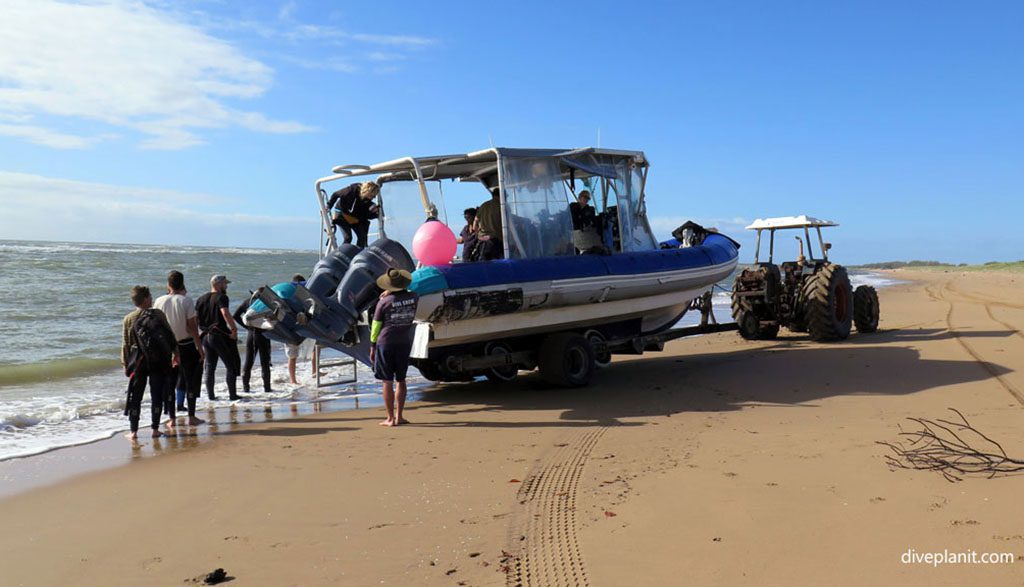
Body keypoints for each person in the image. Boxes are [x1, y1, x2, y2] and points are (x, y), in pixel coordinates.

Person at [121, 286, 178, 441]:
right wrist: (175, 354)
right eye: (150, 296)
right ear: (145, 299)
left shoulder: (129, 318)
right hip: (158, 361)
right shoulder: (157, 314)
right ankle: (155, 429)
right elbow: (169, 335)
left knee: (136, 397)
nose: (152, 298)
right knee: (156, 395)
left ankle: (133, 432)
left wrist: (125, 365)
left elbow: (126, 345)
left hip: (138, 363)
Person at [153, 271, 206, 426]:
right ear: (182, 283)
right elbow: (192, 327)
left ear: (168, 285)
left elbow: (156, 327)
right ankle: (191, 416)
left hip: (166, 347)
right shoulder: (186, 301)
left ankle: (172, 418)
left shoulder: (159, 301)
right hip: (186, 345)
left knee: (170, 382)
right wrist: (200, 348)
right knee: (190, 381)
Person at [369, 268, 419, 426]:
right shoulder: (414, 297)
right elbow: (411, 292)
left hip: (386, 342)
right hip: (404, 342)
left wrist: (372, 345)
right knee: (401, 380)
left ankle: (390, 418)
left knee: (387, 381)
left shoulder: (384, 302)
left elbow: (376, 326)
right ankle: (400, 416)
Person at [196, 275, 241, 401]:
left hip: (205, 336)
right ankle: (232, 395)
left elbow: (195, 319)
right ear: (219, 284)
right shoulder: (222, 297)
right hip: (219, 336)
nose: (226, 286)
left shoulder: (201, 299)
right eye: (225, 284)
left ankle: (211, 396)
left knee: (210, 366)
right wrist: (234, 329)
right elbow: (225, 313)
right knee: (230, 365)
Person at [233, 295, 271, 394]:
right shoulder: (267, 303)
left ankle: (246, 389)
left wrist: (247, 327)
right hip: (264, 334)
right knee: (265, 363)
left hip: (251, 335)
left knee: (248, 362)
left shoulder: (247, 302)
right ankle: (267, 389)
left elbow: (236, 316)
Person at [327, 182, 380, 248]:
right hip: (341, 213)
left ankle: (357, 254)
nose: (374, 197)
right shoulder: (350, 191)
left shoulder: (367, 200)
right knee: (348, 237)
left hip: (352, 217)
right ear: (368, 191)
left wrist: (375, 214)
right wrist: (328, 206)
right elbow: (335, 194)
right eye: (373, 195)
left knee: (362, 237)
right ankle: (342, 254)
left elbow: (365, 215)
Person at [283, 274, 312, 385]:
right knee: (312, 348)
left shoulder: (288, 293)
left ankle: (293, 380)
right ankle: (294, 380)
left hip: (289, 327)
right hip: (301, 326)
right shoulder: (302, 294)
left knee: (292, 356)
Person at [473, 188, 504, 260]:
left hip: (482, 242)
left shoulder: (483, 205)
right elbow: (510, 224)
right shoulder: (502, 206)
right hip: (496, 242)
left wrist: (479, 236)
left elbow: (474, 226)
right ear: (502, 195)